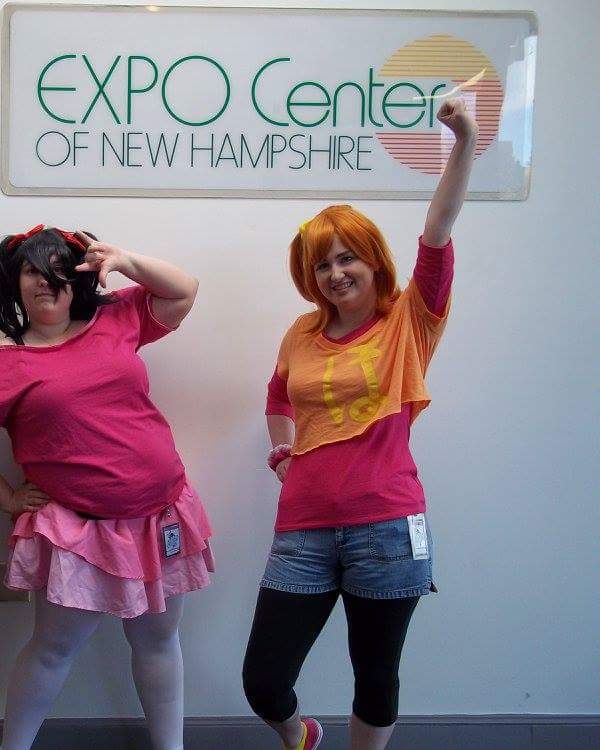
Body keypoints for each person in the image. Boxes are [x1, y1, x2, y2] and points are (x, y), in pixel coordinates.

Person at [242, 98, 478, 750]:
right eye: (322, 263)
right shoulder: (301, 332)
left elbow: (438, 227)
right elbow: (277, 395)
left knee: (375, 678)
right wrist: (282, 451)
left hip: (387, 528)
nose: (336, 273)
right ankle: (301, 736)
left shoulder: (410, 319)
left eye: (348, 258)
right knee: (264, 681)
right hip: (303, 528)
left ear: (374, 261)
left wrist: (463, 139)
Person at [0, 226, 213, 750]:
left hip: (160, 515)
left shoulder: (116, 318)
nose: (47, 281)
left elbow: (184, 290)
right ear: (13, 283)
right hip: (77, 531)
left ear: (79, 279)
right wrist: (8, 499)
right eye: (33, 271)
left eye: (60, 270)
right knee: (53, 649)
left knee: (158, 642)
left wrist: (125, 258)